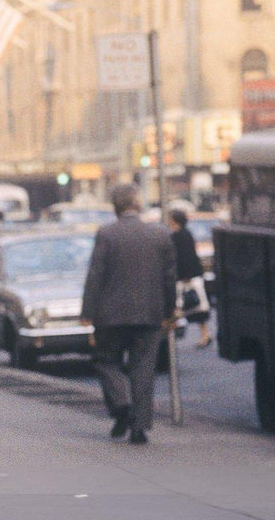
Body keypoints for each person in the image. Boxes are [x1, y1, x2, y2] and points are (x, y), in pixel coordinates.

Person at [80, 182, 176, 444]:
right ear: (138, 204)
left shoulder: (107, 234)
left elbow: (95, 275)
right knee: (143, 368)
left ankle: (121, 404)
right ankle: (140, 427)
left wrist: (87, 311)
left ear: (115, 208)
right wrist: (170, 311)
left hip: (110, 316)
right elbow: (169, 278)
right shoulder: (160, 235)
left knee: (105, 360)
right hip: (149, 315)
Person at [168, 207, 212, 348]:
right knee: (195, 307)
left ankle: (171, 340)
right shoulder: (185, 234)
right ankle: (204, 334)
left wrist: (184, 276)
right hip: (190, 275)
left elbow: (184, 258)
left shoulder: (179, 236)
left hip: (186, 277)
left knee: (182, 307)